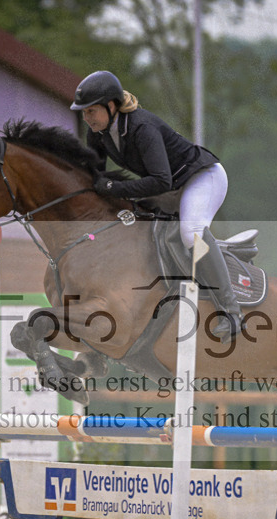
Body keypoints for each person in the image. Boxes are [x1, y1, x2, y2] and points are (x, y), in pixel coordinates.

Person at [70, 70, 242, 342]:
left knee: (191, 231)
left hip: (202, 178)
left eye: (91, 111)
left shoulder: (141, 127)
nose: (86, 118)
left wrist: (116, 189)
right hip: (171, 186)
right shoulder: (98, 134)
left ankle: (231, 312)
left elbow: (160, 180)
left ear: (111, 106)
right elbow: (95, 179)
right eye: (84, 112)